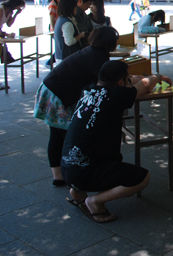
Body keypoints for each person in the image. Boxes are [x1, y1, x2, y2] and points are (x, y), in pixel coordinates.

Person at [62, 61, 170, 223]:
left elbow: (135, 81)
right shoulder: (117, 96)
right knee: (142, 178)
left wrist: (138, 78)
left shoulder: (89, 89)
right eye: (126, 79)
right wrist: (158, 76)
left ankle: (77, 190)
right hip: (86, 173)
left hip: (68, 168)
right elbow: (144, 87)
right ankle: (95, 202)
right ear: (120, 82)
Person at [33, 26, 119, 187]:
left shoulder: (91, 51)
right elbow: (109, 81)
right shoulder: (97, 57)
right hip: (58, 96)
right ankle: (76, 176)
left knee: (57, 135)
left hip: (50, 89)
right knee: (70, 137)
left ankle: (59, 175)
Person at [0, 0, 25, 90]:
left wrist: (16, 14)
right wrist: (5, 34)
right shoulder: (0, 9)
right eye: (19, 7)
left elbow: (9, 24)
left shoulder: (9, 10)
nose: (19, 8)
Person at [54, 0, 86, 65]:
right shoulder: (67, 23)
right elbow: (69, 42)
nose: (76, 9)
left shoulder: (61, 19)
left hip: (62, 57)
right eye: (75, 7)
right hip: (66, 57)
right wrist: (80, 35)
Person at [46, 0, 65, 67]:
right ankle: (50, 61)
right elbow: (51, 18)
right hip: (55, 27)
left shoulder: (60, 3)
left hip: (60, 27)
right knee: (60, 46)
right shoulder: (53, 4)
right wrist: (53, 30)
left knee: (62, 45)